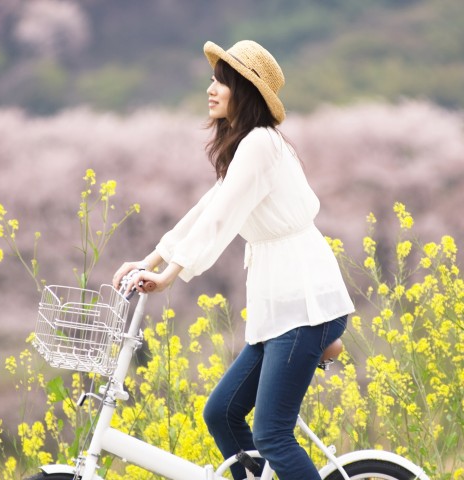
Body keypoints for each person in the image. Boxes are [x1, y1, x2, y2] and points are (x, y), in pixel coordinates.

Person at [113, 40, 355, 480]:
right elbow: (209, 207)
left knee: (273, 435)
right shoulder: (247, 146)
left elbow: (221, 219)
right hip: (278, 305)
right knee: (221, 413)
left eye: (220, 82)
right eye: (211, 80)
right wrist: (150, 257)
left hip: (305, 303)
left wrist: (168, 276)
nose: (210, 89)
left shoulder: (261, 144)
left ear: (242, 91)